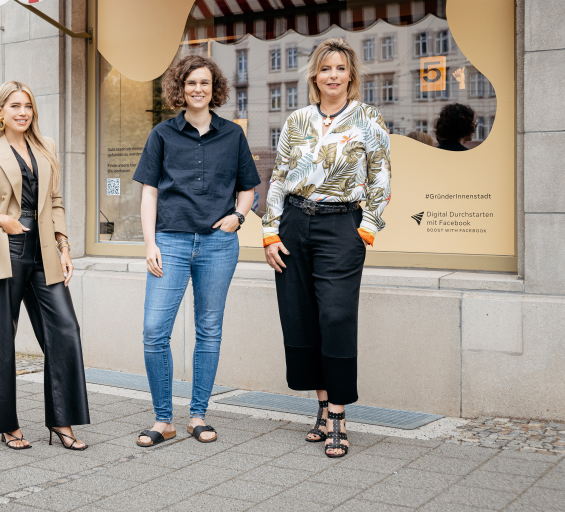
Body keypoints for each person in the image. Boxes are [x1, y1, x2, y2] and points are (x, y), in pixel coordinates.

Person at [263, 38, 391, 458]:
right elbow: (279, 177)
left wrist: (367, 229)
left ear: (351, 74)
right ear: (315, 76)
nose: (333, 75)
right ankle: (321, 405)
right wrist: (270, 231)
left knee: (336, 316)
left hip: (342, 226)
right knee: (302, 317)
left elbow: (380, 179)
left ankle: (338, 414)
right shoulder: (296, 119)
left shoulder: (369, 120)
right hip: (295, 223)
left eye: (340, 68)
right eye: (325, 68)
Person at [133, 55, 260, 447]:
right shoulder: (162, 134)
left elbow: (248, 188)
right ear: (180, 89)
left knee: (208, 330)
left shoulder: (233, 135)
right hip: (169, 241)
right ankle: (163, 419)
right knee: (155, 331)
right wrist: (150, 241)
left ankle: (199, 415)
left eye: (204, 82)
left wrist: (238, 217)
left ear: (214, 88)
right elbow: (149, 192)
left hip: (217, 244)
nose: (198, 89)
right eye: (190, 83)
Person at [0, 81, 90, 451]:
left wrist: (65, 246)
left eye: (28, 106)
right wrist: (0, 220)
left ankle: (61, 422)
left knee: (66, 332)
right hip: (8, 252)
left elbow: (55, 201)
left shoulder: (46, 147)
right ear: (0, 112)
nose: (23, 112)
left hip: (45, 255)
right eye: (15, 106)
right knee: (3, 342)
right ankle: (8, 425)